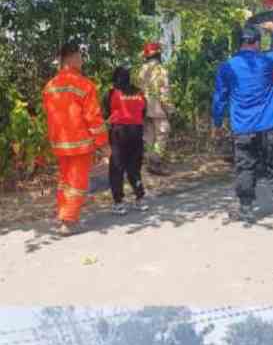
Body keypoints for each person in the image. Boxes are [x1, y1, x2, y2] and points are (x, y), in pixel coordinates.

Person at [211, 21, 273, 222]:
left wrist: (217, 122)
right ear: (257, 43)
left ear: (240, 43)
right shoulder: (266, 60)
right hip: (269, 123)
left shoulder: (227, 67)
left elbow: (220, 98)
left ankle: (246, 208)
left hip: (244, 126)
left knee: (245, 166)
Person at [42, 41, 108, 236]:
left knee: (65, 181)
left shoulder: (50, 86)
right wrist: (103, 143)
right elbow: (93, 117)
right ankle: (69, 221)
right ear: (70, 58)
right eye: (79, 56)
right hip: (80, 144)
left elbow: (50, 114)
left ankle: (64, 214)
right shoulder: (84, 85)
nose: (82, 60)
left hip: (60, 142)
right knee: (77, 183)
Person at [102, 66, 149, 214]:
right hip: (136, 132)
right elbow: (144, 111)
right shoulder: (139, 92)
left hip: (119, 133)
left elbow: (105, 113)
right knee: (134, 166)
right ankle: (140, 199)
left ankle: (119, 203)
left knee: (117, 168)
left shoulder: (112, 93)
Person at [137, 41, 174, 174]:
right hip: (158, 109)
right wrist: (169, 109)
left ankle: (149, 161)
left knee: (148, 136)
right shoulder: (161, 70)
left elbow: (139, 89)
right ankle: (155, 162)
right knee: (162, 135)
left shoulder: (142, 70)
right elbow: (164, 92)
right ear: (158, 54)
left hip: (144, 107)